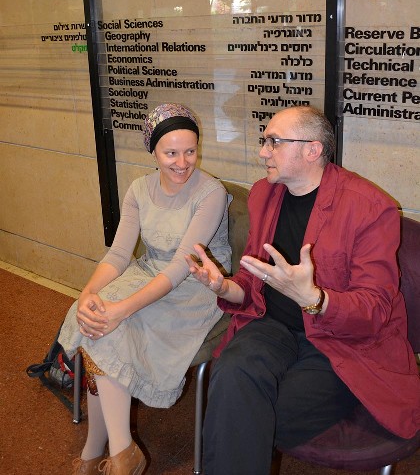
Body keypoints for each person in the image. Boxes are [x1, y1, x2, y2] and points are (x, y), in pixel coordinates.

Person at [187, 105, 420, 475]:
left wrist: (315, 299)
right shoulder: (265, 193)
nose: (263, 151)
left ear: (312, 150)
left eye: (273, 142)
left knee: (258, 414)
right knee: (232, 374)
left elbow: (375, 310)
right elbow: (253, 279)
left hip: (341, 343)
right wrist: (225, 286)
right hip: (272, 325)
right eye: (264, 141)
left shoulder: (372, 209)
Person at [59, 103, 231, 475]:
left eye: (190, 151)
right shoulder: (139, 188)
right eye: (171, 153)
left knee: (112, 325)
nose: (183, 162)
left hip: (196, 287)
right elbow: (120, 253)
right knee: (90, 315)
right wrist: (87, 293)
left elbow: (180, 266)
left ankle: (102, 451)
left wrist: (123, 309)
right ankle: (120, 452)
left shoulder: (211, 192)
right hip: (150, 272)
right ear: (152, 151)